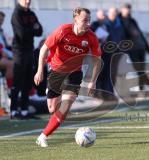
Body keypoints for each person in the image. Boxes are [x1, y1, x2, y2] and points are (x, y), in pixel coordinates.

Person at [34, 7, 101, 147]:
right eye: (84, 20)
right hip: (56, 71)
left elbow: (96, 60)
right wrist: (40, 70)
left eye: (89, 20)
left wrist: (92, 82)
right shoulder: (63, 30)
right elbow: (44, 48)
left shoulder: (91, 37)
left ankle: (43, 136)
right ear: (75, 20)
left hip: (75, 73)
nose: (88, 24)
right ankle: (56, 110)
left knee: (67, 104)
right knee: (52, 109)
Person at [10, 0, 43, 119]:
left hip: (29, 50)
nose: (27, 1)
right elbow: (21, 34)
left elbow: (40, 31)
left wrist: (31, 29)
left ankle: (24, 110)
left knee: (28, 81)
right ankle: (14, 111)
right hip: (19, 51)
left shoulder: (31, 14)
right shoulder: (16, 14)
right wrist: (32, 28)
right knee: (18, 81)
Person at [119, 3, 149, 91]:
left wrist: (147, 47)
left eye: (129, 9)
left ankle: (142, 88)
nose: (128, 10)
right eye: (126, 8)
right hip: (132, 48)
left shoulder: (132, 20)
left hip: (141, 47)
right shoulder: (119, 20)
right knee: (138, 68)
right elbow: (122, 35)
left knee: (141, 69)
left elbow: (140, 34)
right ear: (122, 9)